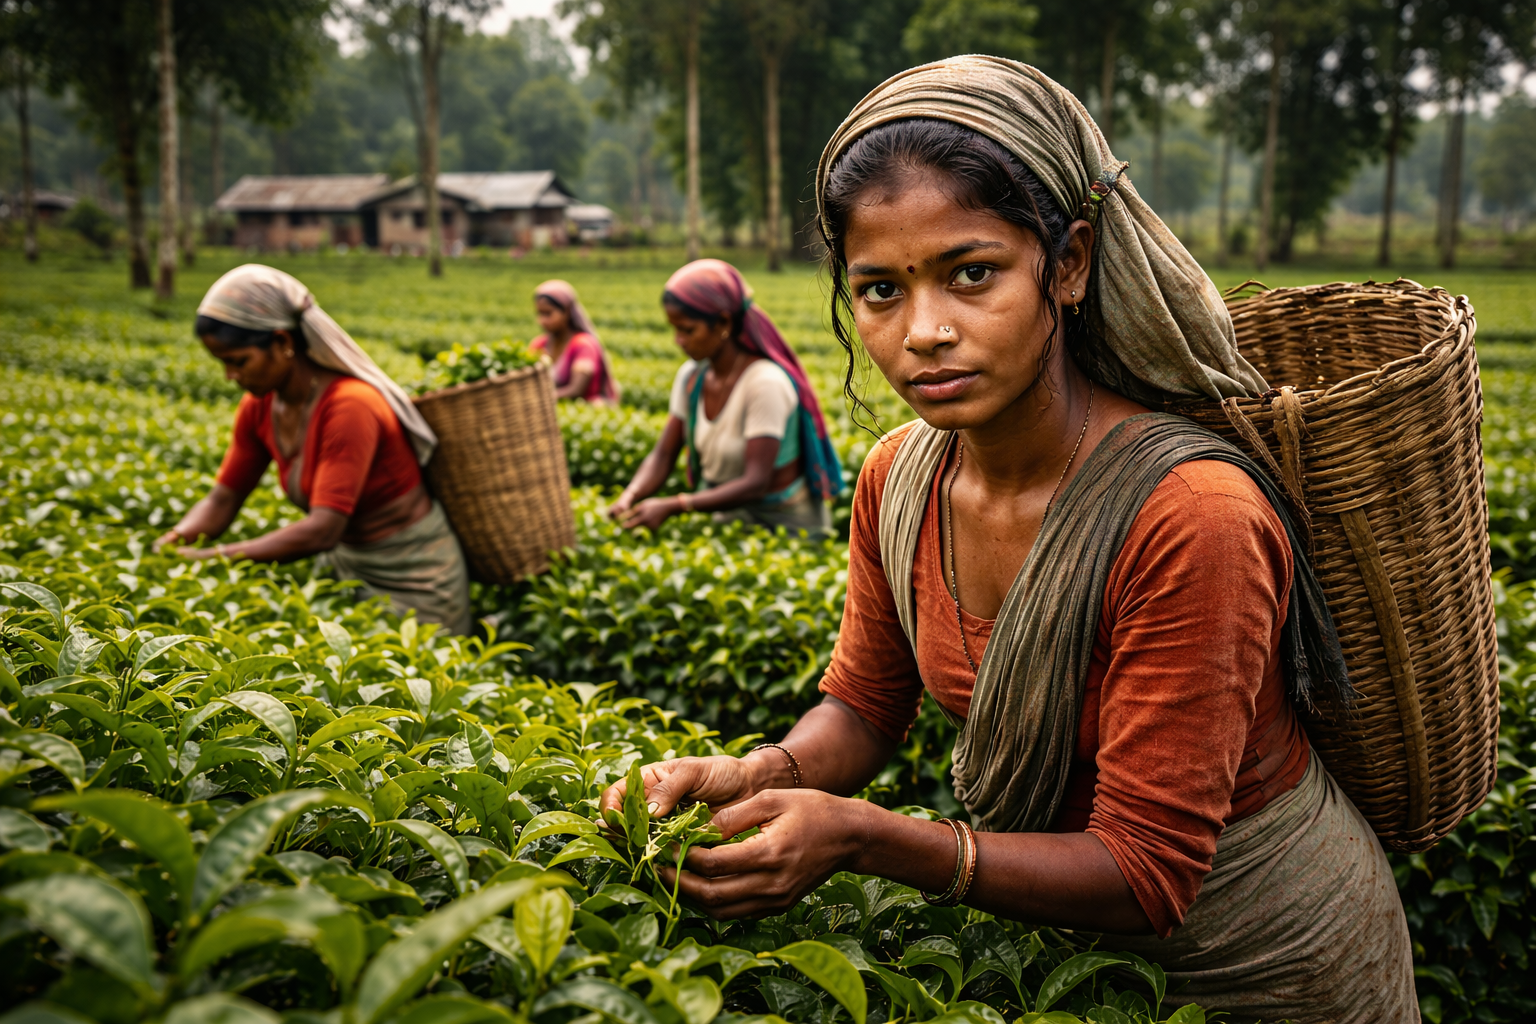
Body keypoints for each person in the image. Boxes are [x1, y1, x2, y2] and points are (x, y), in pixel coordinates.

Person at [601, 57, 1416, 1024]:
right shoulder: (898, 480)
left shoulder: (1190, 514)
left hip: (1264, 957)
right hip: (1060, 949)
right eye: (879, 291)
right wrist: (758, 775)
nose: (926, 331)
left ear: (1065, 266)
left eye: (971, 273)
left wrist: (864, 838)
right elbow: (863, 710)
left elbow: (1146, 870)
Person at [155, 264, 472, 636]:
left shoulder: (351, 406)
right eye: (222, 364)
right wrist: (173, 542)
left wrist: (210, 558)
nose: (230, 376)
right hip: (344, 565)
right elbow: (224, 498)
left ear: (282, 343)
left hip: (414, 575)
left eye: (238, 361)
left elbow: (323, 529)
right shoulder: (260, 407)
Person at [606, 259, 842, 537]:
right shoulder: (691, 377)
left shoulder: (765, 383)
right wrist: (630, 495)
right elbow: (664, 454)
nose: (678, 340)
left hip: (783, 523)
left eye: (687, 330)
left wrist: (676, 504)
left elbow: (755, 481)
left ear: (723, 322)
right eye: (675, 329)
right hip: (724, 512)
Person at [529, 279, 620, 404]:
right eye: (540, 313)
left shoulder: (583, 344)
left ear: (566, 311)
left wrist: (540, 399)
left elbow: (576, 391)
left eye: (548, 313)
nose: (542, 320)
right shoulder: (539, 344)